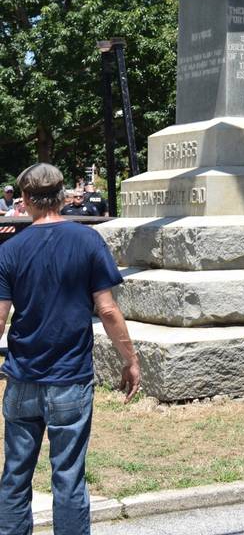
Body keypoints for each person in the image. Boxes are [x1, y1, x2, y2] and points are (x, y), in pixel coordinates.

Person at [0, 163, 140, 535]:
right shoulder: (88, 241)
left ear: (25, 199)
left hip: (22, 377)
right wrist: (130, 360)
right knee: (68, 477)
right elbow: (107, 309)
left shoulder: (11, 250)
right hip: (70, 379)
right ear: (63, 196)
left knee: (15, 476)